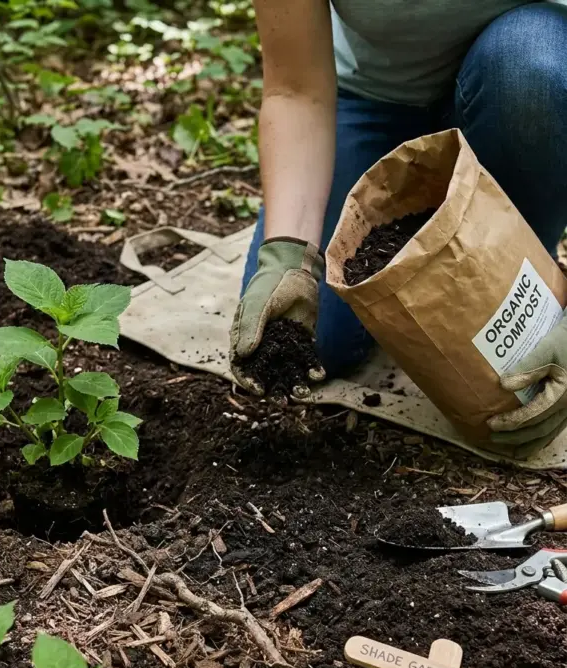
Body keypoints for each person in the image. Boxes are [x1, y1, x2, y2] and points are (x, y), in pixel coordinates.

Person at [229, 0, 567, 458]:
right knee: (315, 338)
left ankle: (533, 286)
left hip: (524, 102)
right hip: (374, 100)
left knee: (532, 66)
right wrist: (287, 253)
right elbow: (295, 91)